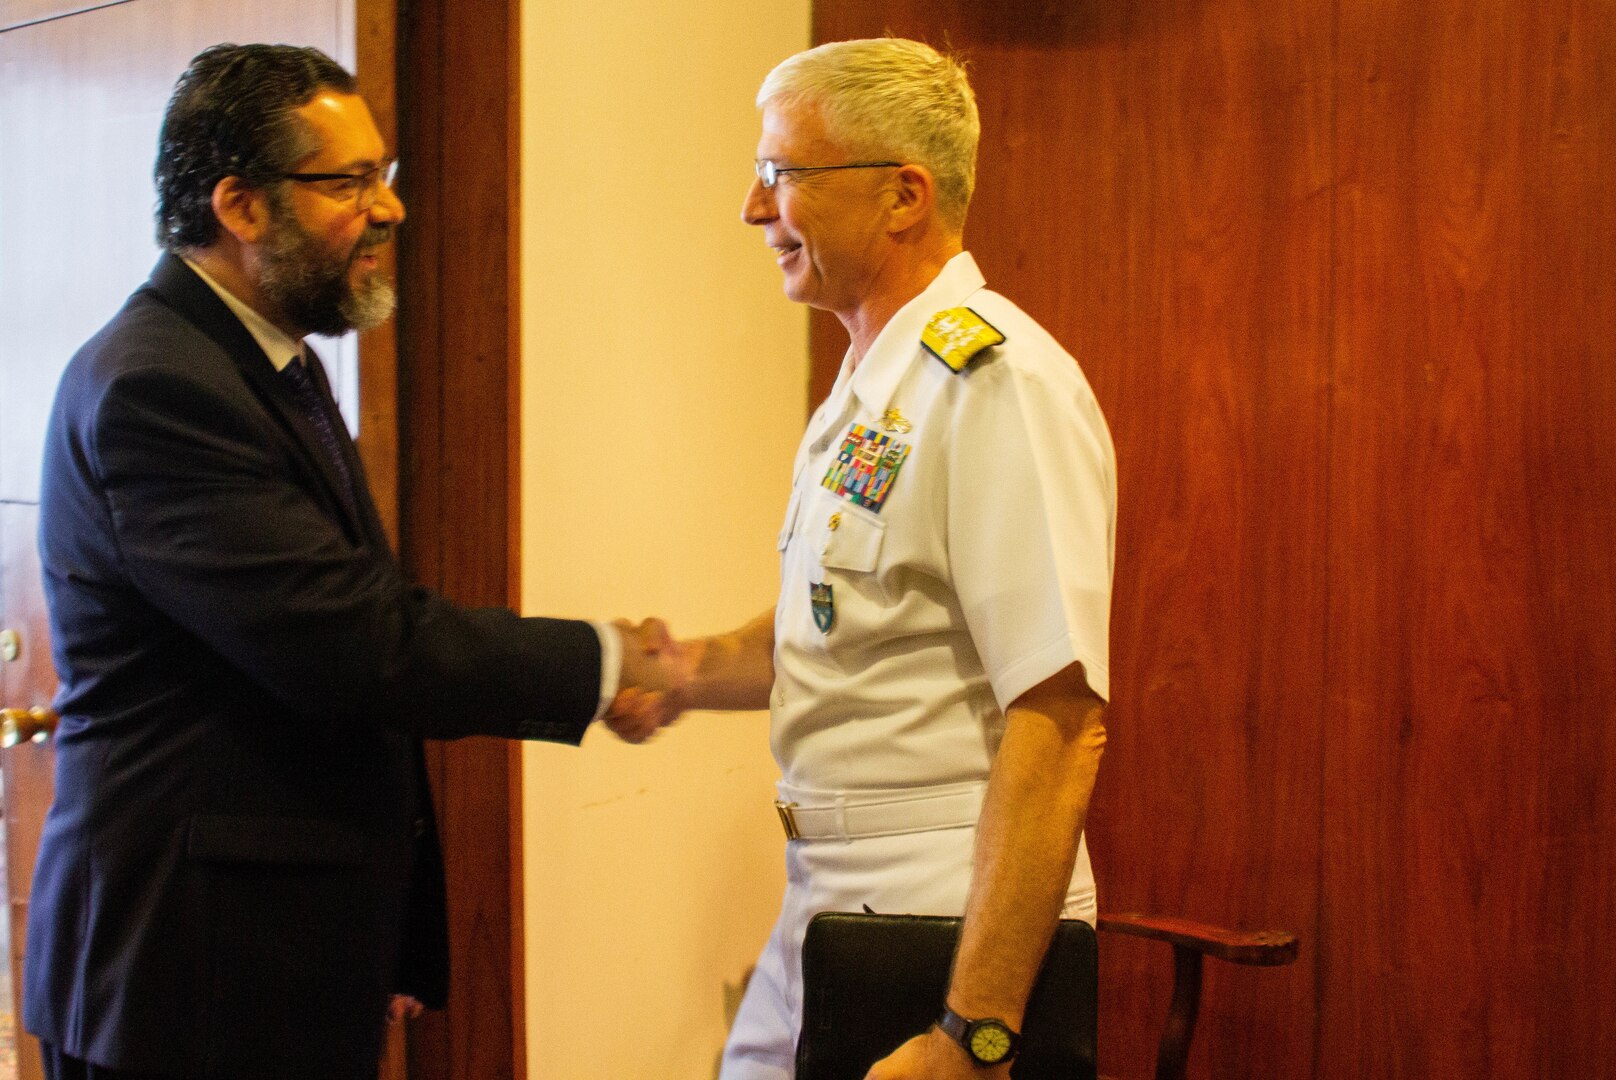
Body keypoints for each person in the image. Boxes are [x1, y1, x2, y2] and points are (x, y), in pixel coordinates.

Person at [26, 43, 677, 1080]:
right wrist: (605, 666)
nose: (389, 209)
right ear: (238, 205)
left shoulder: (263, 358)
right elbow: (352, 642)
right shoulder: (161, 385)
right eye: (349, 182)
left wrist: (392, 936)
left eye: (386, 174)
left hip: (258, 963)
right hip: (182, 980)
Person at [609, 38, 1116, 1080]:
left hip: (937, 915)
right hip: (829, 897)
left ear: (901, 196)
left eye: (782, 175)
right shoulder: (871, 386)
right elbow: (843, 629)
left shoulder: (993, 383)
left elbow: (1060, 720)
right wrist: (676, 672)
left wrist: (973, 1035)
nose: (754, 207)